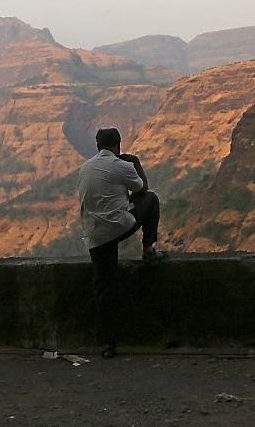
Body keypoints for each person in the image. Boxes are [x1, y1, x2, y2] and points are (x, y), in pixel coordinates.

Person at [78, 127, 166, 358]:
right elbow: (142, 189)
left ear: (98, 146)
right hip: (120, 226)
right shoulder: (123, 166)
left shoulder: (84, 167)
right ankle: (148, 249)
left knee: (104, 286)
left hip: (94, 235)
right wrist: (135, 163)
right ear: (119, 144)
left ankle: (107, 344)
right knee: (152, 199)